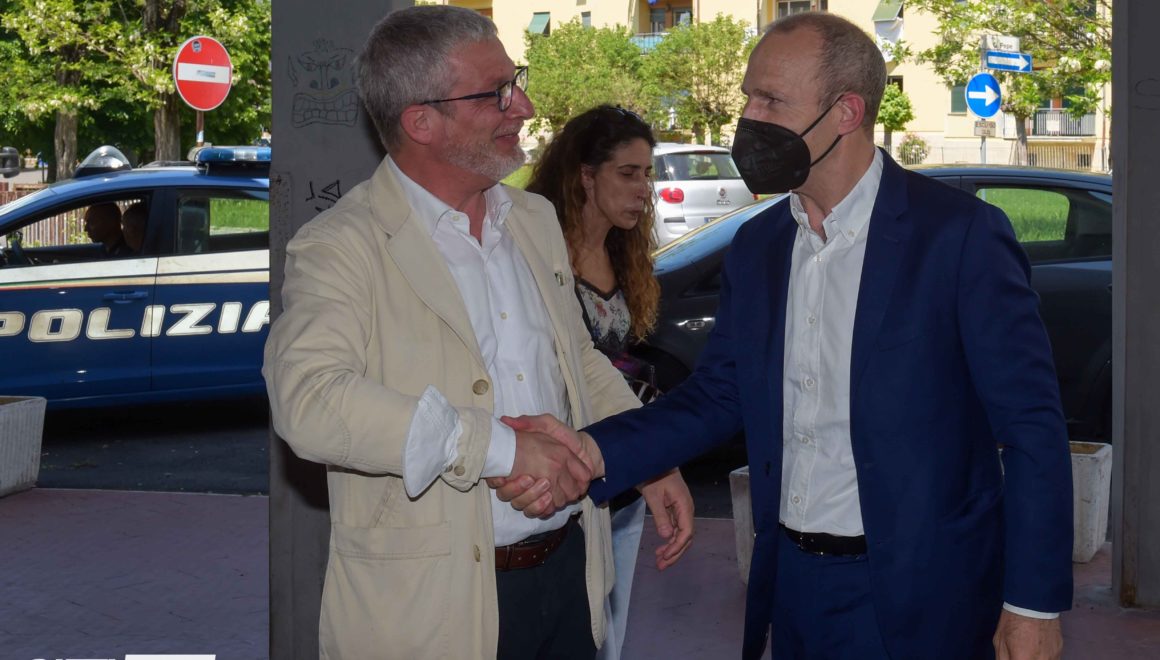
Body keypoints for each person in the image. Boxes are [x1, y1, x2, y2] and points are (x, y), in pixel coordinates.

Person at [500, 11, 1073, 660]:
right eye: (749, 96)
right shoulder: (760, 246)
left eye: (771, 100)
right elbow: (719, 394)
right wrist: (591, 450)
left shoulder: (958, 236)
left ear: (846, 112)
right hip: (793, 588)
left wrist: (1032, 605)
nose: (748, 118)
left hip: (926, 595)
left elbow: (1031, 425)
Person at [262, 6, 693, 660]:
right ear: (421, 122)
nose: (524, 106)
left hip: (567, 574)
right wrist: (499, 450)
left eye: (514, 82)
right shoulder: (340, 246)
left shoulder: (533, 219)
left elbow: (575, 359)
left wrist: (646, 452)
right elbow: (310, 401)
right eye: (497, 92)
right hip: (432, 615)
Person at [524, 104, 681, 660]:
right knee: (576, 622)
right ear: (585, 176)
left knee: (610, 624)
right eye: (627, 173)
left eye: (647, 174)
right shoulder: (540, 252)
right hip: (567, 472)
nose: (643, 189)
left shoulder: (622, 251)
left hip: (623, 467)